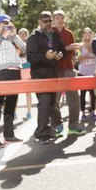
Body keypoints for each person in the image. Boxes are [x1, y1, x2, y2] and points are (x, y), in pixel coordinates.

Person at [26, 11, 66, 144]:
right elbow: (30, 58)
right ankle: (43, 134)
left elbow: (63, 51)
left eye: (50, 21)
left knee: (50, 104)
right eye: (45, 21)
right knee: (44, 103)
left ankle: (40, 131)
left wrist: (60, 54)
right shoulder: (33, 37)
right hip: (39, 76)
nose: (48, 23)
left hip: (53, 75)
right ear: (39, 22)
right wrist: (45, 56)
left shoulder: (55, 35)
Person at [0, 14, 25, 147]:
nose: (5, 25)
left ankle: (9, 135)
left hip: (15, 71)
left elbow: (26, 49)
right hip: (1, 72)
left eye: (7, 23)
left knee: (11, 105)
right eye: (2, 23)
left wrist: (15, 36)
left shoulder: (13, 38)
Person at [51, 10, 85, 136]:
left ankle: (73, 125)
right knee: (54, 100)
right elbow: (52, 51)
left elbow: (73, 54)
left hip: (69, 68)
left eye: (61, 17)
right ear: (53, 19)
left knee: (74, 99)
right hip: (55, 70)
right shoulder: (50, 33)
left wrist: (77, 50)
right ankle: (56, 126)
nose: (60, 20)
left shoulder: (69, 33)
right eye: (57, 17)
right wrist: (67, 48)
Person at [77, 27, 96, 122]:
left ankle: (93, 111)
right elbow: (78, 59)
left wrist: (92, 50)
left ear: (91, 34)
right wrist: (87, 53)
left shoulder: (95, 45)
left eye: (89, 33)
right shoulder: (80, 46)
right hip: (82, 73)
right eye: (85, 33)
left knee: (93, 94)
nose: (87, 34)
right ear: (83, 35)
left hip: (93, 73)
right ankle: (83, 113)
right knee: (83, 94)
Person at [17, 27, 33, 120]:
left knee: (28, 92)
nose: (23, 35)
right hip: (17, 69)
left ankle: (29, 112)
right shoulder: (15, 44)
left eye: (24, 33)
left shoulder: (30, 45)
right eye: (21, 33)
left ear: (27, 35)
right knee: (15, 92)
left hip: (27, 69)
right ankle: (14, 113)